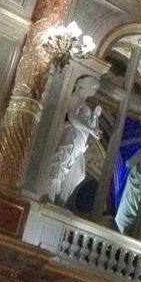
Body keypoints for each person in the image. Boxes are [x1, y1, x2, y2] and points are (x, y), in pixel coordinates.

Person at [45, 74, 101, 208]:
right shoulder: (76, 98)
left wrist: (95, 117)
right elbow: (72, 117)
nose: (93, 91)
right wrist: (90, 128)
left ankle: (58, 199)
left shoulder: (84, 103)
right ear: (84, 86)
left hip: (80, 141)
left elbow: (90, 128)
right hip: (71, 136)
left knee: (77, 172)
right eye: (92, 88)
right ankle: (50, 197)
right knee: (61, 166)